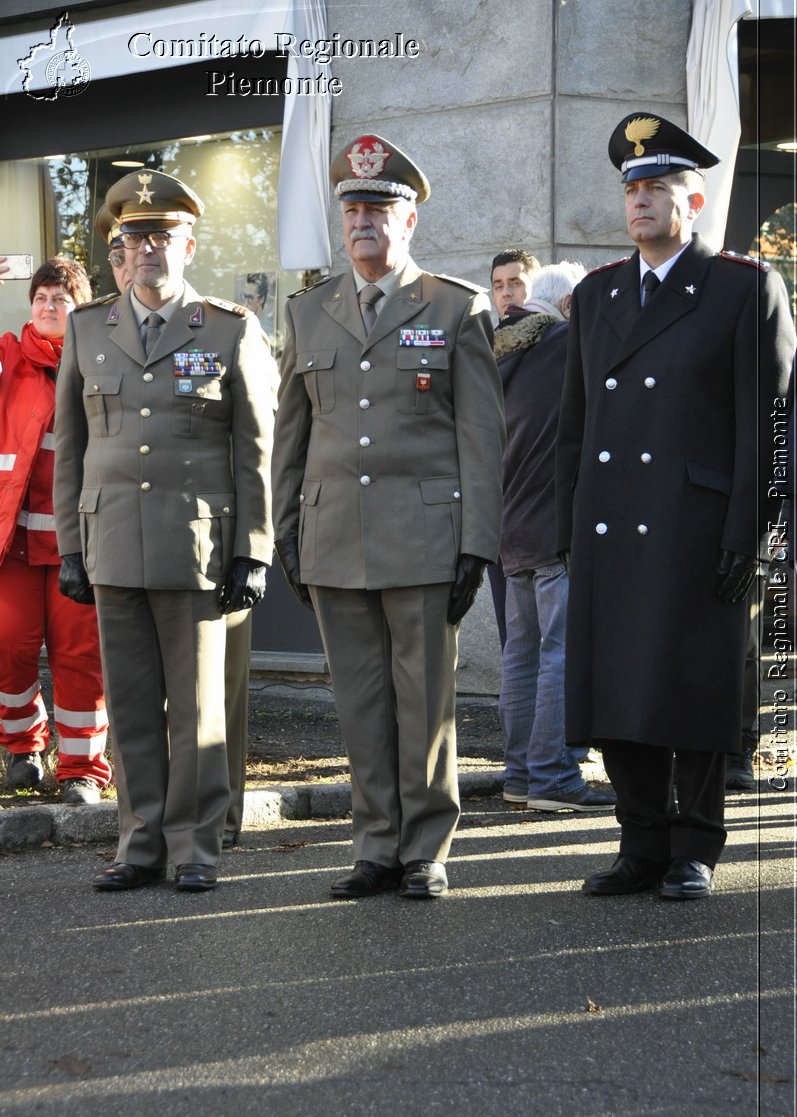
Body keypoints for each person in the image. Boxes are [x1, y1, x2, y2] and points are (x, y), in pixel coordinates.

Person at [556, 112, 795, 900]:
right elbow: (574, 424)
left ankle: (694, 845)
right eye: (631, 188)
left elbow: (772, 424)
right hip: (609, 520)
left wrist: (753, 534)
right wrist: (565, 529)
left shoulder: (742, 287)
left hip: (698, 527)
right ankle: (639, 843)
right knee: (617, 687)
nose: (640, 201)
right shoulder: (596, 296)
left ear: (693, 203)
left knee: (691, 687)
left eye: (657, 187)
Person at [272, 133, 505, 900]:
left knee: (423, 702)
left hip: (423, 538)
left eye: (379, 208)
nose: (364, 221)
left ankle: (425, 848)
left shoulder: (454, 307)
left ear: (409, 222)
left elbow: (480, 436)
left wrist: (477, 543)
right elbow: (293, 435)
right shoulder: (308, 312)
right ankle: (374, 845)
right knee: (361, 700)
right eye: (353, 210)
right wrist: (287, 533)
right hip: (335, 534)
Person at [54, 170, 275, 892]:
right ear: (122, 248)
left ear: (188, 243)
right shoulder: (90, 329)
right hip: (113, 542)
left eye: (162, 235)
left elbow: (254, 450)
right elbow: (72, 447)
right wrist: (70, 546)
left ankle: (194, 847)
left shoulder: (227, 328)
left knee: (198, 708)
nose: (148, 248)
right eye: (135, 237)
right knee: (132, 706)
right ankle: (139, 840)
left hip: (197, 547)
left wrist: (252, 550)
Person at [497, 261, 615, 814]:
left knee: (521, 653)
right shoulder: (568, 345)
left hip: (510, 526)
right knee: (560, 653)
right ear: (569, 305)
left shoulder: (500, 348)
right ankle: (553, 777)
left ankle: (520, 773)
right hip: (557, 527)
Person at [0, 256, 112, 803]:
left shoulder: (101, 360)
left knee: (78, 653)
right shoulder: (6, 359)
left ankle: (82, 769)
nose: (48, 306)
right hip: (14, 545)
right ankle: (23, 748)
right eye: (41, 297)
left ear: (79, 307)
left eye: (60, 298)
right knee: (9, 645)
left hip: (80, 544)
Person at [487, 248, 541, 645]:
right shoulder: (481, 346)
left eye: (516, 283)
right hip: (495, 508)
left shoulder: (556, 340)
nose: (507, 293)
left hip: (540, 508)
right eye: (499, 285)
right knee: (513, 639)